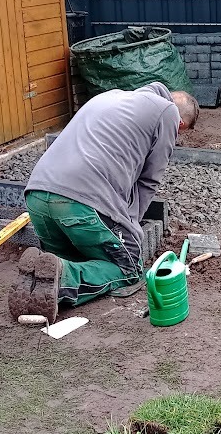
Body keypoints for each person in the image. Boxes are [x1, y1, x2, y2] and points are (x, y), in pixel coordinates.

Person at [10, 82, 200, 322]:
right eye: (179, 133)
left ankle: (40, 282)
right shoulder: (168, 112)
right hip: (78, 203)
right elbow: (149, 180)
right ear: (181, 124)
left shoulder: (111, 96)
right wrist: (131, 226)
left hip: (37, 195)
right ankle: (63, 280)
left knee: (72, 259)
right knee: (129, 266)